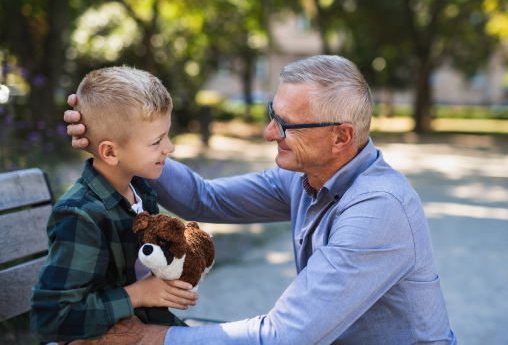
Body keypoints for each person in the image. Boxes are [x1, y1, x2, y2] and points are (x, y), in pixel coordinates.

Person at [65, 55, 456, 344]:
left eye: (286, 124)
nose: (270, 132)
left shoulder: (378, 208)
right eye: (273, 113)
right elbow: (206, 199)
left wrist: (148, 338)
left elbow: (283, 335)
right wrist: (128, 145)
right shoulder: (307, 177)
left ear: (341, 137)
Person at [31, 66, 198, 343]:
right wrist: (138, 295)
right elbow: (51, 319)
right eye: (156, 141)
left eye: (166, 135)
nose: (169, 148)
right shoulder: (82, 216)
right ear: (109, 151)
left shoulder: (140, 191)